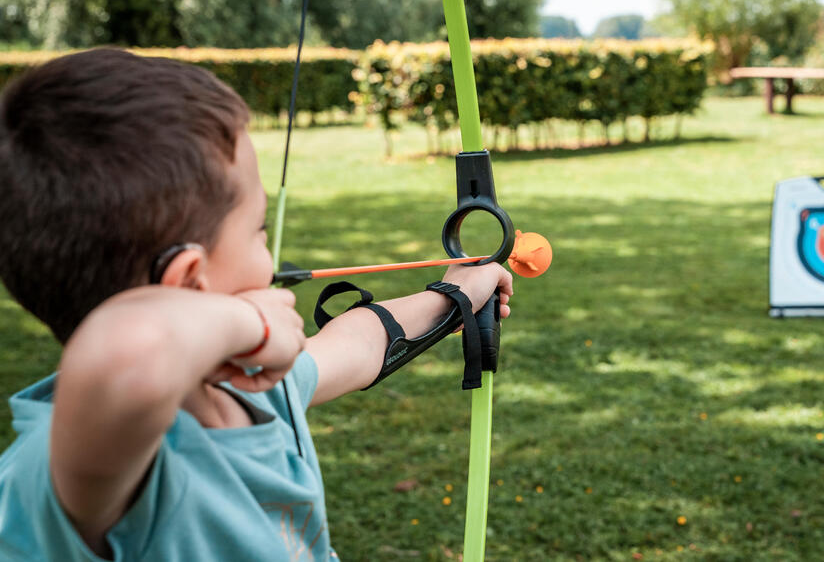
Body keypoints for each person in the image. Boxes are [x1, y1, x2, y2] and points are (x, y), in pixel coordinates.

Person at [0, 48, 513, 561]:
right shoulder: (82, 466)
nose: (271, 256)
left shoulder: (249, 386)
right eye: (258, 230)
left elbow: (354, 345)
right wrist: (252, 324)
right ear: (190, 282)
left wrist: (454, 297)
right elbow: (128, 352)